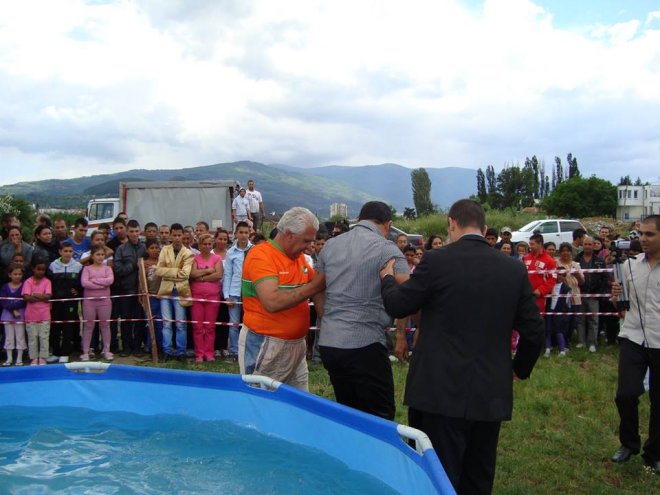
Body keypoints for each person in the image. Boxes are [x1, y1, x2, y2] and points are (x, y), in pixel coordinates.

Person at [379, 199, 544, 494]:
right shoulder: (512, 268)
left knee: (437, 475)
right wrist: (519, 369)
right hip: (489, 390)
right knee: (478, 474)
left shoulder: (436, 261)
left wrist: (388, 279)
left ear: (451, 223)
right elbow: (534, 331)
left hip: (438, 389)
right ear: (483, 227)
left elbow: (399, 304)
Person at [315, 201, 408, 420]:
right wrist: (401, 334)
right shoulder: (386, 248)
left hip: (330, 342)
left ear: (358, 220)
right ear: (388, 224)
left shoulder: (330, 245)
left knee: (348, 412)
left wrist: (326, 317)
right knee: (380, 415)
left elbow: (317, 288)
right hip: (365, 342)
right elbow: (407, 291)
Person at [238, 207, 324, 390]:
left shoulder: (298, 258)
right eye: (306, 240)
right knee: (262, 401)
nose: (309, 246)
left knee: (298, 401)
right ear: (290, 235)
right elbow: (272, 302)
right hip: (266, 344)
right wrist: (314, 287)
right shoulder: (261, 255)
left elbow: (318, 286)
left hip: (296, 346)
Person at [610, 215, 660, 475]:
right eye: (641, 233)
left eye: (650, 234)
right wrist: (615, 297)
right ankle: (629, 443)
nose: (643, 239)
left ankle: (655, 453)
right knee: (626, 394)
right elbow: (620, 304)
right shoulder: (629, 265)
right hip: (633, 337)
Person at [156, 223, 194, 360]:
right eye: (175, 235)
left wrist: (167, 272)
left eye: (179, 235)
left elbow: (186, 274)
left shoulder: (188, 253)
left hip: (180, 291)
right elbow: (158, 270)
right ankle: (166, 350)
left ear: (183, 235)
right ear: (171, 235)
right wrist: (177, 271)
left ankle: (181, 351)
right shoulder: (165, 249)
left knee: (180, 324)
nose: (177, 238)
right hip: (165, 290)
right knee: (166, 323)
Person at [113, 219, 147, 357]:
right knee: (126, 320)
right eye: (131, 231)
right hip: (126, 289)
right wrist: (133, 265)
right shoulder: (121, 249)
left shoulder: (144, 248)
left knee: (139, 320)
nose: (134, 234)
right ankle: (126, 347)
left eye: (136, 231)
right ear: (127, 232)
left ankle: (138, 347)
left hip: (141, 290)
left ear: (140, 232)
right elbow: (118, 269)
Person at [189, 233, 223, 362]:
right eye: (204, 244)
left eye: (209, 244)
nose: (207, 246)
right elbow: (192, 274)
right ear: (199, 245)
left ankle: (209, 353)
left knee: (210, 327)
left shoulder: (217, 258)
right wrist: (208, 271)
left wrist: (201, 278)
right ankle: (199, 354)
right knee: (197, 327)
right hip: (197, 297)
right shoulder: (195, 258)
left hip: (213, 297)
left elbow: (218, 275)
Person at [47, 241, 83, 363]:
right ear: (60, 252)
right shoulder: (53, 266)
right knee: (55, 327)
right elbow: (49, 283)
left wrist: (77, 291)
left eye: (70, 251)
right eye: (65, 251)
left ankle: (65, 353)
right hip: (57, 301)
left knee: (69, 327)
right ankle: (56, 352)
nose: (68, 253)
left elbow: (80, 285)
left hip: (71, 302)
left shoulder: (78, 266)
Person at [223, 222, 252, 359]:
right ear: (235, 234)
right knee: (234, 324)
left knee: (250, 323)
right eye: (241, 232)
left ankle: (248, 350)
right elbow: (227, 274)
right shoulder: (230, 252)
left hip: (250, 293)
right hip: (234, 292)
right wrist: (226, 295)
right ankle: (234, 351)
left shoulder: (255, 250)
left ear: (249, 233)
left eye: (246, 232)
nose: (243, 235)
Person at [80, 245, 114, 361]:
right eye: (98, 254)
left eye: (102, 255)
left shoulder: (107, 269)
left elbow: (110, 280)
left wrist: (94, 281)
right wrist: (101, 285)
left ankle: (106, 350)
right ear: (92, 256)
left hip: (104, 301)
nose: (100, 257)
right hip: (89, 302)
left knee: (105, 325)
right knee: (88, 326)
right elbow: (85, 283)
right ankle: (85, 351)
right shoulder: (87, 269)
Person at [575, 236, 607, 353]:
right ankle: (581, 341)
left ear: (593, 246)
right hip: (580, 294)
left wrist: (598, 294)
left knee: (593, 320)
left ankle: (592, 342)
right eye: (585, 244)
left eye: (590, 244)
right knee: (580, 319)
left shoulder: (599, 261)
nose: (587, 246)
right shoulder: (577, 259)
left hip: (593, 295)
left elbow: (604, 279)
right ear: (582, 245)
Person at [22, 259, 52, 366]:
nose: (41, 271)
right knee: (32, 338)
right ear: (33, 269)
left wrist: (35, 294)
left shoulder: (47, 282)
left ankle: (43, 357)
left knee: (44, 338)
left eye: (43, 270)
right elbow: (27, 297)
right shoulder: (28, 281)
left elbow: (48, 296)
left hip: (45, 315)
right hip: (30, 316)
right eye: (38, 269)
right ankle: (33, 358)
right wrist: (41, 297)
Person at [523, 233, 556, 315]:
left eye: (532, 244)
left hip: (539, 298)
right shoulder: (526, 258)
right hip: (525, 296)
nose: (530, 246)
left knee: (537, 319)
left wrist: (541, 290)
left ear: (540, 244)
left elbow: (552, 279)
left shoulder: (549, 260)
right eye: (529, 244)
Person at [1, 263, 27, 366]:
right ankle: (9, 358)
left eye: (19, 274)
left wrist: (16, 308)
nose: (17, 276)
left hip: (20, 314)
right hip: (7, 315)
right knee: (9, 337)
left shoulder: (24, 285)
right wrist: (13, 309)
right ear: (9, 275)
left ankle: (19, 358)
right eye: (15, 274)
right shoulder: (5, 287)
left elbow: (24, 300)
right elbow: (3, 301)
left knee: (20, 336)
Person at [544, 267, 570, 357]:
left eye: (562, 275)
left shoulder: (566, 288)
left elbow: (567, 303)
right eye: (558, 274)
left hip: (559, 312)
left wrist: (564, 313)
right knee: (548, 329)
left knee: (559, 330)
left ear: (564, 276)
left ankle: (562, 350)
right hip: (549, 310)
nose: (559, 276)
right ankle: (547, 349)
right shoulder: (550, 285)